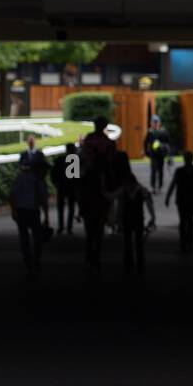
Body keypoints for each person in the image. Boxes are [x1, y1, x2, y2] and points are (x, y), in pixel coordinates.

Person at [78, 115, 117, 271]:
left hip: (91, 171)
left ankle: (80, 208)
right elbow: (112, 161)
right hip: (101, 172)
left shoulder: (89, 139)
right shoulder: (110, 142)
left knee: (82, 185)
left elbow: (82, 156)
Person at [109, 151, 155, 275]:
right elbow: (149, 203)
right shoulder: (141, 190)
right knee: (138, 244)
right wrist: (152, 217)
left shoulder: (124, 190)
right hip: (138, 219)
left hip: (128, 219)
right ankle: (139, 265)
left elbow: (113, 199)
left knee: (128, 243)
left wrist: (116, 220)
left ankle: (129, 266)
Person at [9, 154, 49, 275]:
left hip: (22, 211)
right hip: (32, 211)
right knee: (37, 238)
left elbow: (12, 195)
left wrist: (13, 210)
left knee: (24, 238)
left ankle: (29, 262)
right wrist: (46, 216)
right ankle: (35, 261)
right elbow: (43, 199)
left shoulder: (21, 178)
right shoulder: (39, 181)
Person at [165, 150, 193, 253]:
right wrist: (168, 197)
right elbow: (173, 184)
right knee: (184, 221)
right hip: (183, 199)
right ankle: (184, 242)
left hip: (189, 199)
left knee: (188, 221)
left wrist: (168, 197)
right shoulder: (185, 171)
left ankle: (188, 242)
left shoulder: (190, 171)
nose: (187, 160)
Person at [51, 141, 79, 234]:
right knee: (69, 207)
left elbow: (54, 173)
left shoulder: (62, 159)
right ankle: (66, 227)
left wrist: (56, 183)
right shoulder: (74, 160)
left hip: (64, 186)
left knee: (63, 207)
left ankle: (63, 227)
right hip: (67, 186)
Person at [143, 114, 171, 192]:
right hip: (153, 155)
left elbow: (167, 143)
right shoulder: (150, 132)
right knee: (154, 171)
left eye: (156, 122)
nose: (155, 124)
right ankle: (153, 187)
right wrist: (146, 152)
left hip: (161, 155)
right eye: (154, 122)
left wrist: (166, 152)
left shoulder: (163, 131)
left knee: (161, 171)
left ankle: (160, 186)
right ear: (151, 123)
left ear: (159, 123)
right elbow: (145, 143)